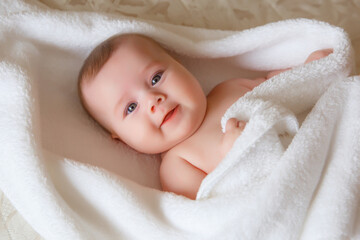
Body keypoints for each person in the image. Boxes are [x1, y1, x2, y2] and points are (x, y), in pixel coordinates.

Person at [78, 33, 332, 199]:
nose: (153, 100)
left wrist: (310, 70)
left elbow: (280, 88)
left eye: (156, 78)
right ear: (121, 138)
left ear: (181, 66)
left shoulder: (228, 88)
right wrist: (232, 153)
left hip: (319, 151)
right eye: (130, 108)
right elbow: (210, 209)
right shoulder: (177, 164)